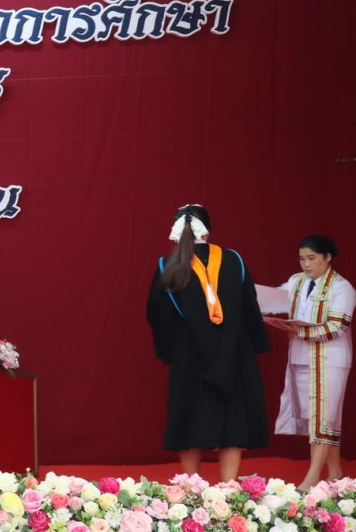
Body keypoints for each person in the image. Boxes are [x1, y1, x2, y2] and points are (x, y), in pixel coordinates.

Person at [146, 204, 270, 482]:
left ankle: (193, 486)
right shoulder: (234, 260)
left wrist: (169, 350)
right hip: (231, 352)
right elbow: (250, 304)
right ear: (208, 230)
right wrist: (252, 344)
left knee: (188, 420)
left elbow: (158, 313)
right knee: (232, 422)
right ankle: (228, 487)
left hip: (189, 355)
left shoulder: (168, 265)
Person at [268, 235, 353, 489]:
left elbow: (337, 327)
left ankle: (312, 477)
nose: (306, 264)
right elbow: (271, 300)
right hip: (301, 358)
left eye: (311, 258)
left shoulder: (342, 287)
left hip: (330, 359)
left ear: (327, 257)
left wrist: (299, 331)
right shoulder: (296, 281)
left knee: (323, 417)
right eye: (302, 259)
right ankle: (335, 472)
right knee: (319, 418)